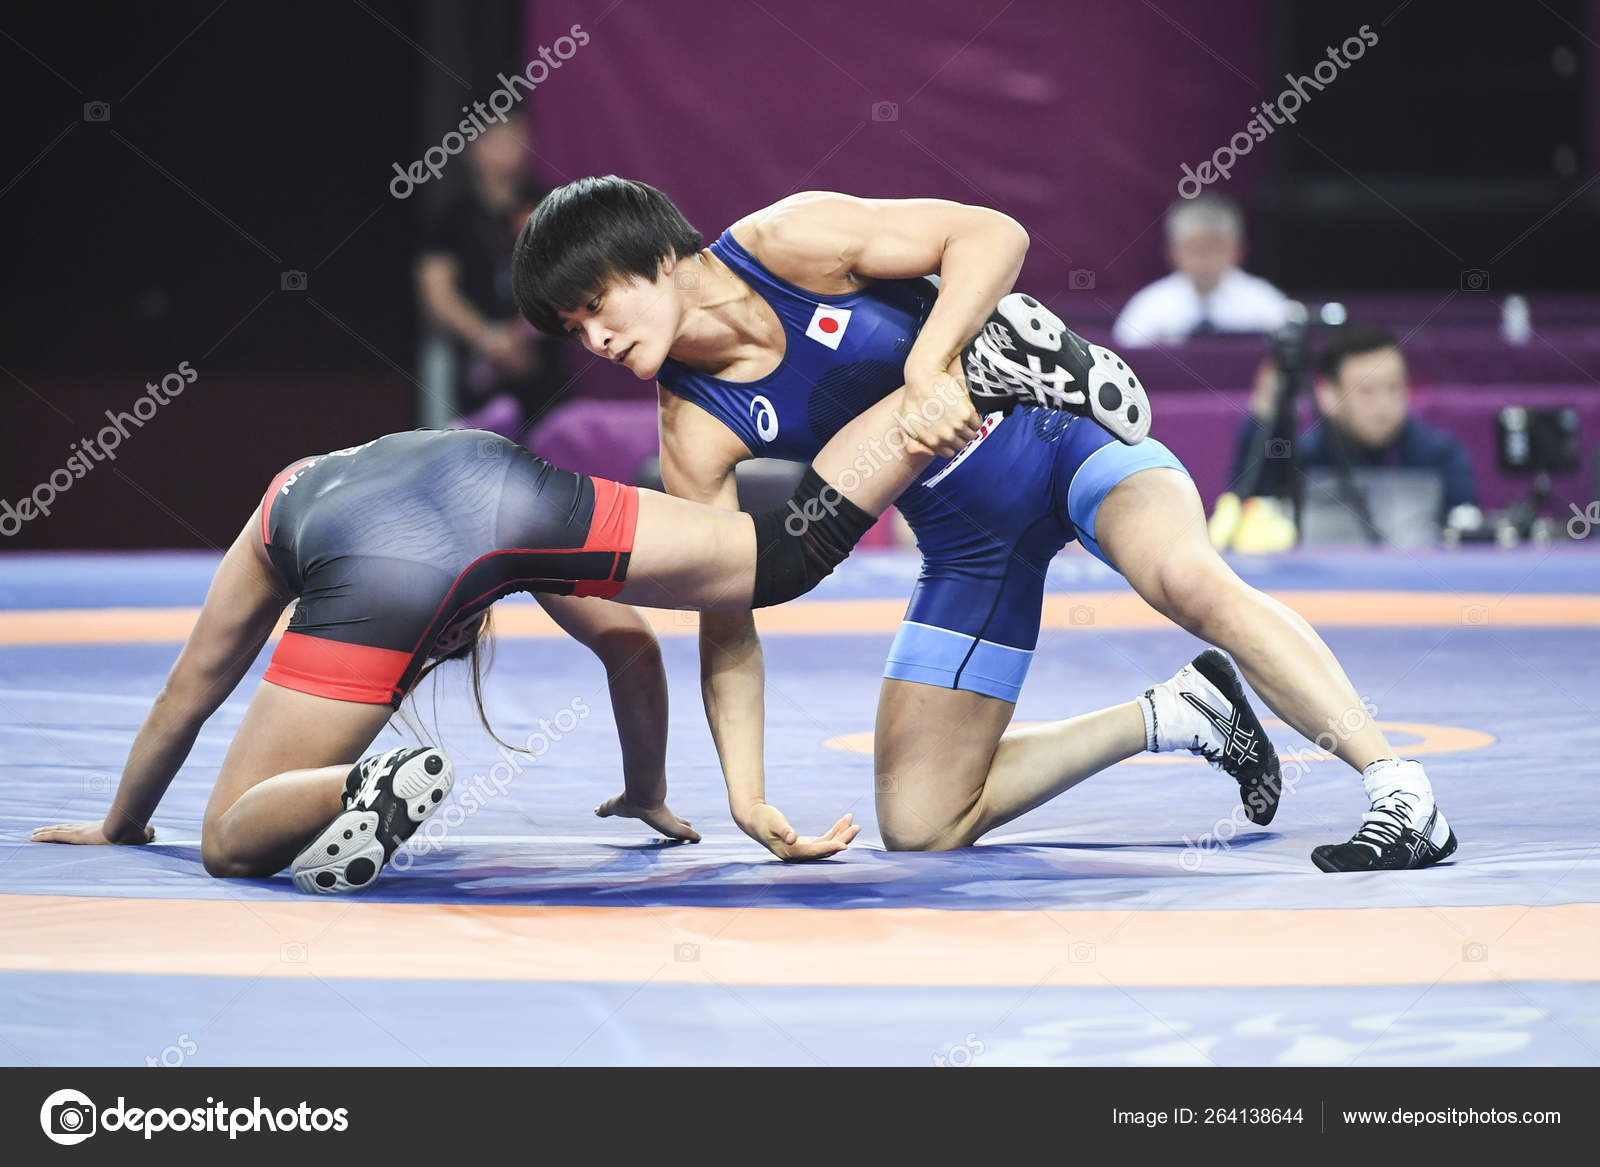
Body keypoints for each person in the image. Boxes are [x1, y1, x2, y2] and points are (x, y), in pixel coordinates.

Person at [513, 176, 1458, 874]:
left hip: (1060, 436)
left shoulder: (788, 240)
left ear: (661, 258)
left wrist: (928, 365)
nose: (593, 339)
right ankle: (1177, 713)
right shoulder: (695, 428)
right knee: (922, 822)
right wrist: (746, 795)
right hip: (967, 542)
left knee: (1189, 581)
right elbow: (729, 615)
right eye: (572, 328)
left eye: (597, 304)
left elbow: (989, 232)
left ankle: (1398, 790)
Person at [28, 336, 1085, 890]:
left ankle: (365, 780)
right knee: (769, 558)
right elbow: (628, 648)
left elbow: (192, 686)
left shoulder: (287, 494)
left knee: (226, 840)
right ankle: (926, 402)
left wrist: (125, 823)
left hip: (359, 547)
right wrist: (648, 792)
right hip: (507, 483)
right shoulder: (496, 544)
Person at [415, 115, 569, 436]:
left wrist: (525, 333)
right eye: (496, 139)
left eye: (516, 137)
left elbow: (573, 275)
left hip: (542, 362)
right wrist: (489, 340)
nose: (508, 149)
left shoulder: (551, 206)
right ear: (472, 149)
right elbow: (437, 292)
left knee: (553, 456)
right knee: (481, 454)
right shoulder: (452, 216)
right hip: (479, 367)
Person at [1230, 324, 1478, 518]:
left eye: (1394, 388)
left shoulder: (1441, 456)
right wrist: (1265, 416)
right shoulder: (1299, 458)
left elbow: (1464, 536)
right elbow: (1247, 507)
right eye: (1367, 391)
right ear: (1328, 394)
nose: (1384, 404)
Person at [1112, 194, 1290, 348]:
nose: (1205, 261)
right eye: (1195, 250)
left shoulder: (1266, 303)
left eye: (1215, 249)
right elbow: (1124, 362)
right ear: (1174, 251)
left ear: (1237, 250)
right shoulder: (1149, 306)